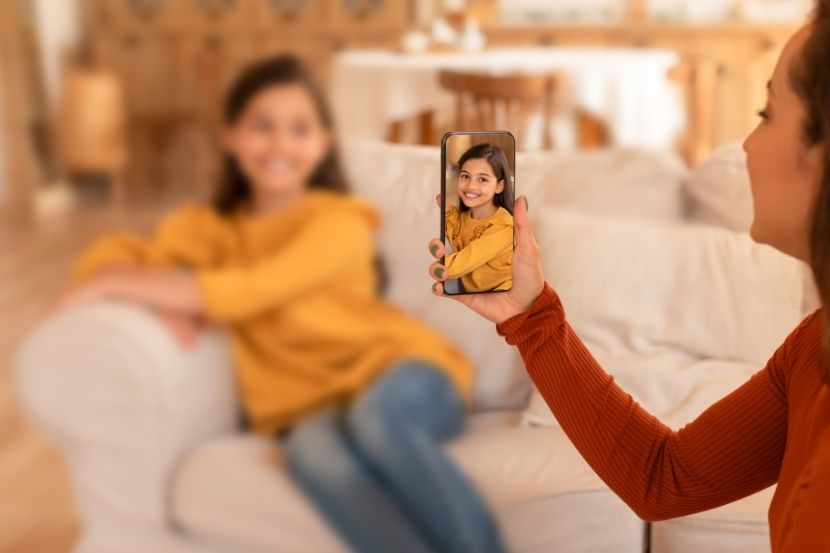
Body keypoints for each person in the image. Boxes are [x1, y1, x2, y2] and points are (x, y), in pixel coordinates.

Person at [51, 55, 508, 553]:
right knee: (313, 456)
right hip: (309, 408)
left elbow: (253, 289)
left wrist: (157, 287)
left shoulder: (340, 222)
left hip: (406, 374)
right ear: (231, 137)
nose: (279, 144)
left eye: (298, 129)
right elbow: (112, 254)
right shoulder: (208, 230)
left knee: (378, 423)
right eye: (262, 126)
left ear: (323, 143)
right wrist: (152, 289)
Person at [427, 3, 830, 551]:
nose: (746, 145)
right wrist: (531, 316)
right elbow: (664, 478)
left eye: (766, 113)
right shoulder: (813, 347)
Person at [442, 143, 514, 293]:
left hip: (501, 291)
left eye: (482, 179)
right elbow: (447, 218)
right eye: (465, 176)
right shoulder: (458, 218)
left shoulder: (504, 226)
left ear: (499, 186)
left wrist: (429, 267)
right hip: (468, 288)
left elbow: (462, 262)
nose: (471, 186)